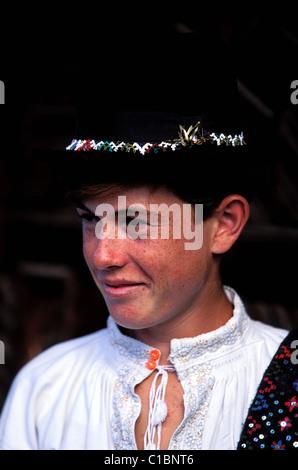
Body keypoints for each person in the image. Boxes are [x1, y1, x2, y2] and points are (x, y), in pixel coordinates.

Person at [0, 32, 297, 451]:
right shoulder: (44, 390)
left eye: (135, 221)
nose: (103, 256)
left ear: (224, 224)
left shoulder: (288, 382)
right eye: (90, 219)